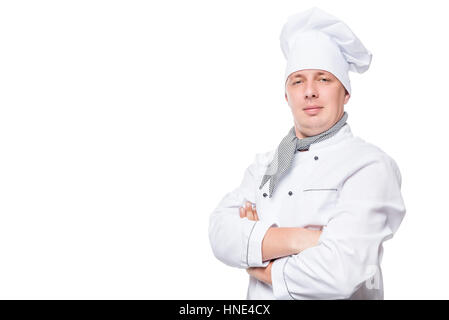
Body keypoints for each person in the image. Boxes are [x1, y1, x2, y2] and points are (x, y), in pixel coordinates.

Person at [208, 7, 406, 300]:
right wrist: (305, 239)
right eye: (298, 81)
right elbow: (220, 233)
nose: (310, 91)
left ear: (346, 92)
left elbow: (338, 275)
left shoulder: (370, 166)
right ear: (286, 94)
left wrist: (259, 261)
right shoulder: (267, 165)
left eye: (324, 79)